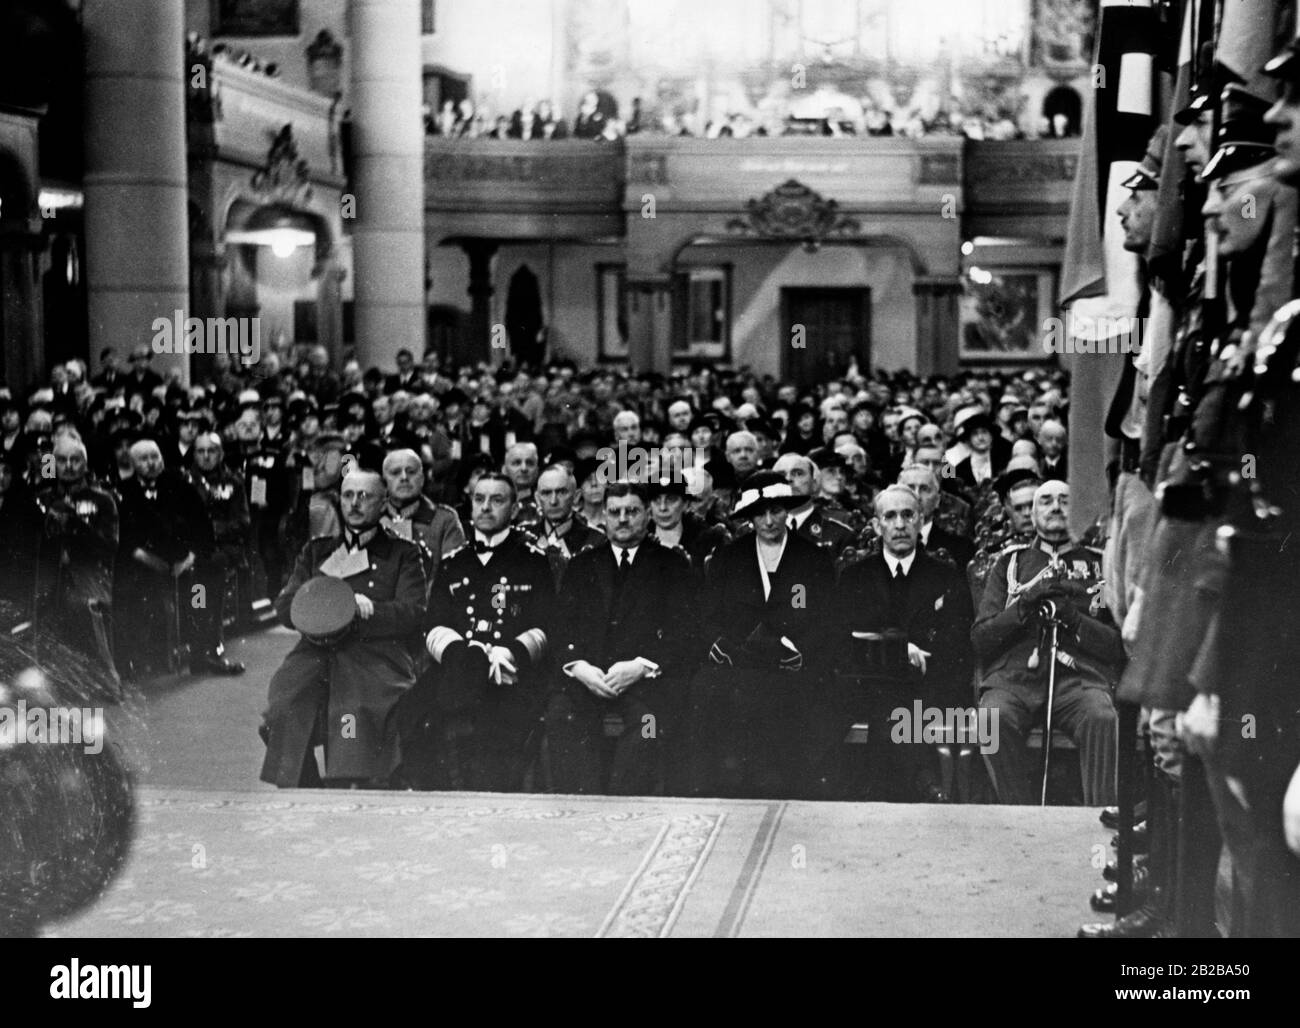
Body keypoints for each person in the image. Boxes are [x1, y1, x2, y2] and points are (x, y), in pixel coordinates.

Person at [260, 468, 426, 788]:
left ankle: (356, 786)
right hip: (316, 650)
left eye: (364, 496)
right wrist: (332, 605)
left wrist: (372, 610)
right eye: (348, 495)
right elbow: (285, 607)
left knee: (352, 710)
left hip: (375, 651)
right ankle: (305, 788)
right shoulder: (317, 550)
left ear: (384, 504)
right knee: (283, 704)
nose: (354, 503)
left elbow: (413, 612)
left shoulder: (402, 553)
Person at [973, 480, 1122, 806]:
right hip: (1016, 677)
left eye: (1065, 500)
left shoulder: (1101, 566)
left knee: (1102, 717)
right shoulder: (1010, 565)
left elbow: (1116, 645)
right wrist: (1023, 607)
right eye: (1046, 501)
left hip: (1077, 677)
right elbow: (982, 638)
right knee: (991, 719)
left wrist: (1075, 619)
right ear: (1031, 514)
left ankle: (1099, 817)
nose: (1055, 507)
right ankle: (1019, 817)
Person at [543, 481, 695, 795]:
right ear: (604, 517)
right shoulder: (582, 565)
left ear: (648, 514)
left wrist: (642, 666)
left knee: (648, 727)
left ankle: (625, 814)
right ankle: (580, 809)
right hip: (589, 679)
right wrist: (578, 667)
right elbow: (561, 628)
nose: (623, 519)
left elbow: (685, 632)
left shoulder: (672, 565)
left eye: (632, 511)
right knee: (562, 717)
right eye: (615, 512)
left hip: (648, 683)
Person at [690, 471, 835, 798]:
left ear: (788, 511)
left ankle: (777, 791)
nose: (769, 521)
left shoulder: (813, 559)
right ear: (750, 518)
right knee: (707, 691)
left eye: (777, 511)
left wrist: (798, 649)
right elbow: (709, 617)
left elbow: (827, 621)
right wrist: (725, 647)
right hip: (738, 667)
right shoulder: (730, 558)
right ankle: (724, 789)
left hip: (792, 669)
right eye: (760, 513)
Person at [832, 484, 974, 802]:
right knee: (888, 702)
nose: (899, 524)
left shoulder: (946, 575)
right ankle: (922, 785)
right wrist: (899, 652)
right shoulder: (854, 576)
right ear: (876, 525)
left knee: (903, 705)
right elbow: (841, 641)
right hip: (868, 683)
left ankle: (887, 797)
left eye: (908, 515)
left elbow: (958, 639)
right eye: (890, 516)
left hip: (929, 683)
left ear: (920, 520)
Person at [412, 473, 553, 791]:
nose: (486, 507)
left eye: (497, 500)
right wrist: (461, 655)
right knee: (411, 713)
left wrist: (510, 653)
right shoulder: (453, 562)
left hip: (512, 671)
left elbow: (545, 625)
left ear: (515, 510)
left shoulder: (533, 561)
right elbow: (434, 623)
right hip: (458, 667)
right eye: (479, 499)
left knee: (497, 731)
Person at [114, 438, 221, 679]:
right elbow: (123, 537)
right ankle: (144, 659)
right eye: (144, 459)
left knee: (199, 590)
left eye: (155, 457)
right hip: (143, 563)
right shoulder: (124, 491)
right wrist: (147, 559)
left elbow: (202, 526)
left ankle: (201, 652)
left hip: (183, 561)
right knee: (135, 592)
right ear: (132, 464)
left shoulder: (181, 485)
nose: (151, 464)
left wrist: (190, 558)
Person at [185, 432, 249, 671]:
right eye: (200, 451)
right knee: (197, 596)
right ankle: (200, 649)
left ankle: (211, 647)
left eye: (211, 451)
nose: (206, 456)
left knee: (209, 588)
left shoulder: (233, 482)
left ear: (220, 454)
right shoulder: (185, 482)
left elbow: (242, 521)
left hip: (221, 550)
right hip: (195, 552)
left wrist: (210, 531)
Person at [379, 448, 465, 598]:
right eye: (395, 473)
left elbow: (453, 574)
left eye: (411, 472)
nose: (404, 477)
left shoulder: (444, 520)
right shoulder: (371, 518)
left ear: (422, 479)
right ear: (384, 482)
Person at [533, 463, 605, 587]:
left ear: (576, 497)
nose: (553, 501)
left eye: (561, 492)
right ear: (537, 498)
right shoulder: (523, 540)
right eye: (546, 493)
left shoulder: (598, 542)